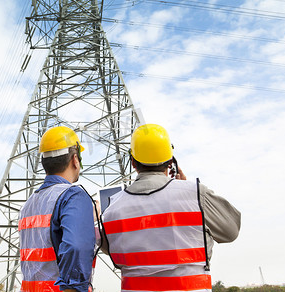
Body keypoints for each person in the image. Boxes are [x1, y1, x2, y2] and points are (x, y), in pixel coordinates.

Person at [101, 124, 241, 292]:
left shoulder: (112, 208)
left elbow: (110, 248)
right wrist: (188, 194)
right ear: (170, 161)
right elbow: (230, 232)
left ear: (133, 162)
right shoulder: (195, 195)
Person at [18, 126, 97, 292]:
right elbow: (75, 248)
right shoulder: (73, 196)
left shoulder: (29, 204)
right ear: (75, 159)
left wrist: (87, 220)